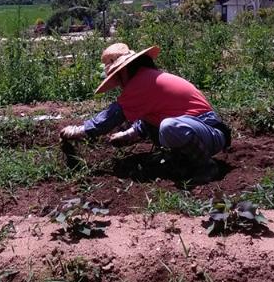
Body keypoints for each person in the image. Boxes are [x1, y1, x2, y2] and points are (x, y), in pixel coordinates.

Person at [60, 42, 230, 183]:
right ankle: (183, 160)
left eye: (117, 75)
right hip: (201, 131)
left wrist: (81, 130)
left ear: (124, 70)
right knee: (165, 126)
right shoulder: (148, 79)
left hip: (210, 131)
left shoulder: (141, 82)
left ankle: (207, 166)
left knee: (169, 127)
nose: (118, 83)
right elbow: (150, 116)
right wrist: (128, 135)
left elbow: (113, 115)